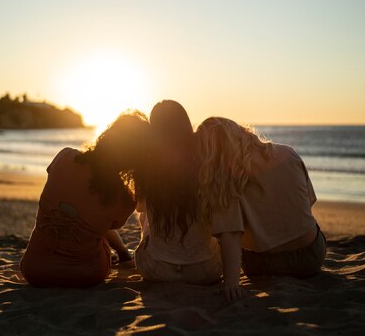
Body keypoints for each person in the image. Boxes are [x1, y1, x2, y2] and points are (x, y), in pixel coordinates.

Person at [196, 117, 327, 302]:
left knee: (219, 233)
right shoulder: (288, 153)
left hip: (262, 264)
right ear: (240, 133)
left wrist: (231, 285)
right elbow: (309, 202)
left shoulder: (225, 180)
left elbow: (230, 235)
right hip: (310, 257)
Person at [20, 111, 150, 287]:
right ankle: (124, 254)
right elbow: (107, 228)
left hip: (34, 270)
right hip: (85, 274)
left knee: (84, 214)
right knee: (97, 224)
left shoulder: (64, 157)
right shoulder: (123, 198)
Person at [135, 100, 224, 285]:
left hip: (156, 269)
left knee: (145, 218)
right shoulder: (204, 161)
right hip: (206, 271)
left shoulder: (146, 163)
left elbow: (140, 206)